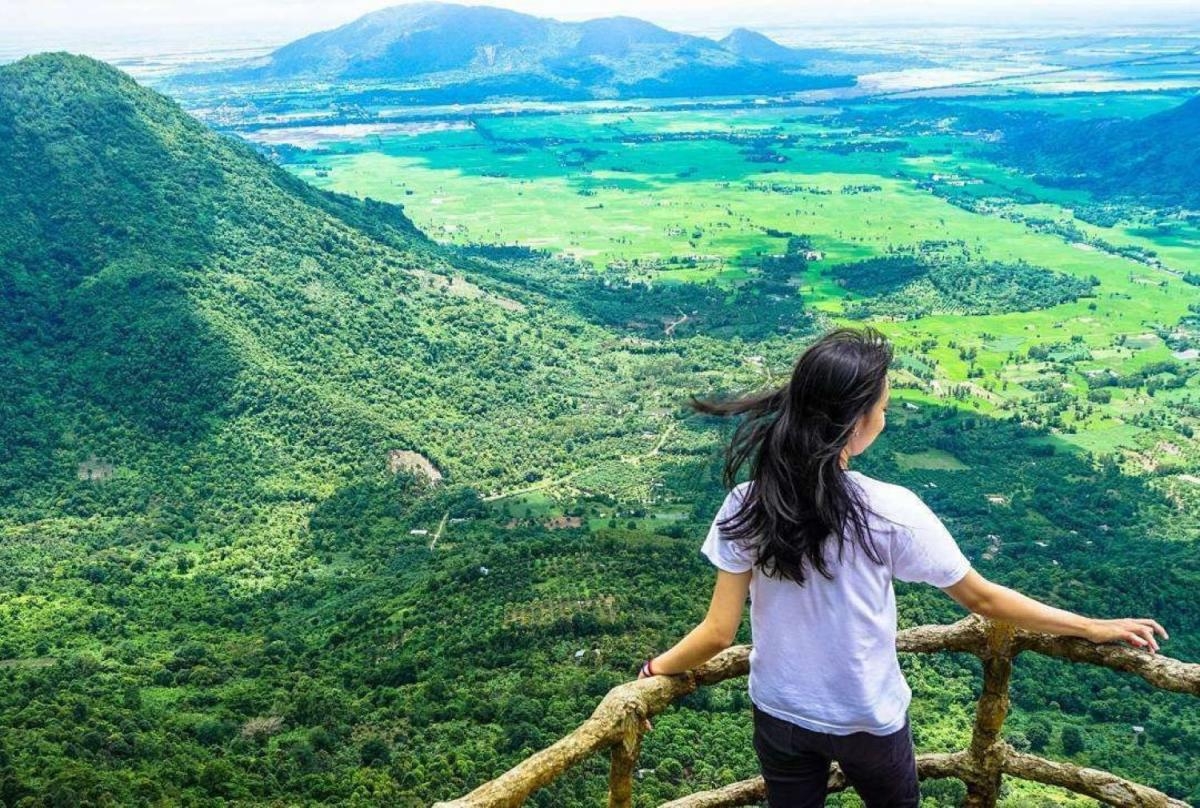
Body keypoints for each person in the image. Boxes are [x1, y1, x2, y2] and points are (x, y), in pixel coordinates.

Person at [637, 326, 1167, 808]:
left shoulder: (748, 503)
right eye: (883, 407)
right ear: (857, 423)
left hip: (780, 714)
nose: (885, 418)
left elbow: (717, 632)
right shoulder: (890, 512)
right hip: (868, 718)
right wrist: (1091, 627)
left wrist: (653, 670)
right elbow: (983, 600)